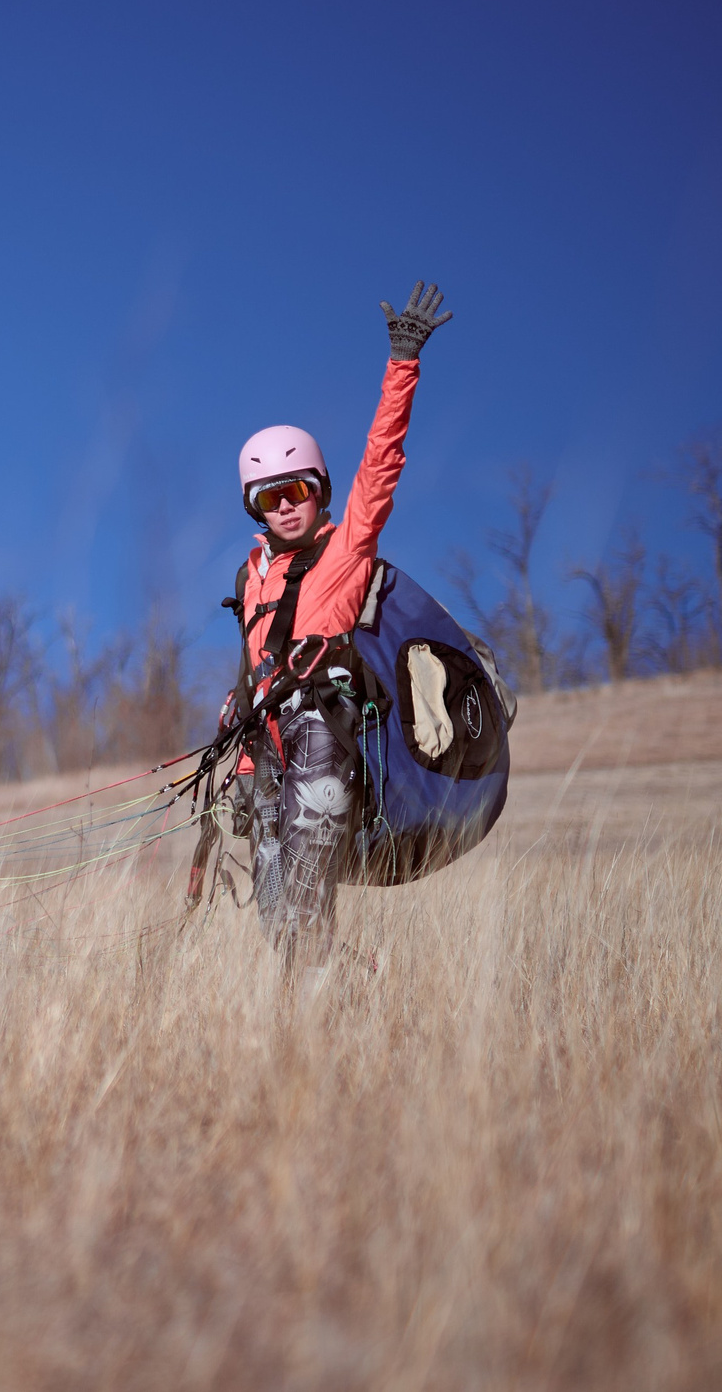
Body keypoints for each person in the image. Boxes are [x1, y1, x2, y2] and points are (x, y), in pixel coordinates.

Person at [224, 281, 453, 963]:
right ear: (255, 509)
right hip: (265, 742)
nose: (287, 507)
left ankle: (326, 1014)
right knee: (277, 917)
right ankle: (347, 994)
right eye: (271, 498)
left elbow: (382, 464)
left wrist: (402, 365)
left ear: (321, 490)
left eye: (299, 492)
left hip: (324, 731)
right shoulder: (250, 577)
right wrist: (240, 761)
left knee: (301, 900)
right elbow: (246, 677)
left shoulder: (347, 545)